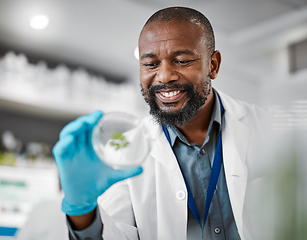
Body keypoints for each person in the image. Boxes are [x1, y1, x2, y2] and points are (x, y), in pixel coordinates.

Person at [51, 6, 272, 240]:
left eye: (182, 60)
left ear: (213, 65)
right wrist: (82, 209)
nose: (165, 76)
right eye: (150, 64)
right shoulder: (125, 152)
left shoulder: (268, 128)